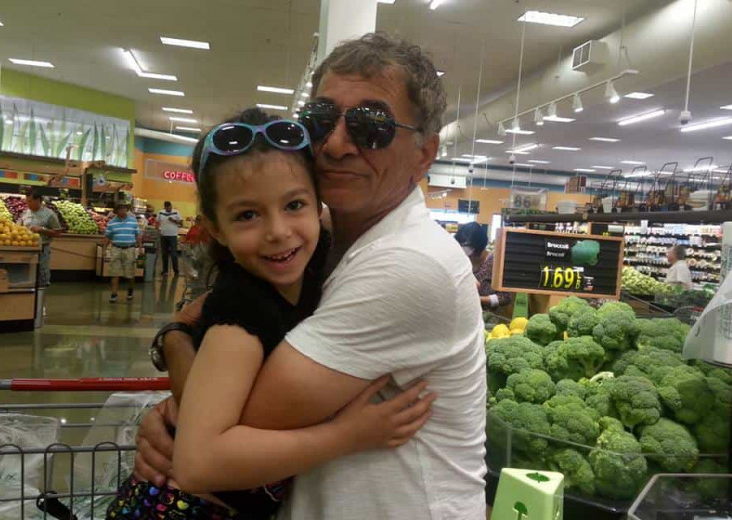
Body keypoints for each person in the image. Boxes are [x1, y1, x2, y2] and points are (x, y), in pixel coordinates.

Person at [137, 32, 486, 519]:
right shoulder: (318, 241)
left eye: (371, 125)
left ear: (424, 155)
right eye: (320, 119)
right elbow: (208, 327)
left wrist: (179, 409)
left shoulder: (411, 263)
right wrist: (177, 337)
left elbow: (232, 425)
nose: (336, 144)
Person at [107, 108, 433, 520]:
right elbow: (196, 465)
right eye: (247, 215)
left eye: (294, 204)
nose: (278, 231)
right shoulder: (241, 315)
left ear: (319, 205)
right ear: (215, 228)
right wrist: (345, 436)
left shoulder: (314, 267)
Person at [455, 221, 513, 309]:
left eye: (467, 247)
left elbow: (505, 297)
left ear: (479, 245)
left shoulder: (495, 263)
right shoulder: (462, 261)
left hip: (488, 313)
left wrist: (477, 300)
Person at [20, 189, 62, 288]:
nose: (28, 204)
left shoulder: (49, 214)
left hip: (42, 250)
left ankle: (41, 294)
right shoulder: (26, 213)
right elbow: (19, 227)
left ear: (38, 200)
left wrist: (42, 230)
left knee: (41, 276)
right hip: (26, 249)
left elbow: (58, 233)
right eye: (27, 201)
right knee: (27, 277)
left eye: (30, 201)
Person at [105, 203, 141, 303]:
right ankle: (114, 294)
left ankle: (130, 290)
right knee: (114, 272)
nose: (123, 211)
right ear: (116, 211)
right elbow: (107, 236)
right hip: (116, 248)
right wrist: (104, 249)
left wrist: (140, 247)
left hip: (129, 249)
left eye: (125, 209)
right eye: (121, 209)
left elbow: (138, 234)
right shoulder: (111, 222)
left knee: (130, 272)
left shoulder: (133, 221)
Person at [157, 200, 182, 276]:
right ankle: (165, 270)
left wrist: (173, 220)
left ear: (171, 206)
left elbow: (181, 223)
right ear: (164, 207)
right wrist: (157, 230)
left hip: (173, 235)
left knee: (174, 254)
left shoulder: (176, 212)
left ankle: (176, 270)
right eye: (167, 208)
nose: (169, 209)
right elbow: (157, 222)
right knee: (164, 254)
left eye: (170, 207)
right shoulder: (160, 212)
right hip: (163, 235)